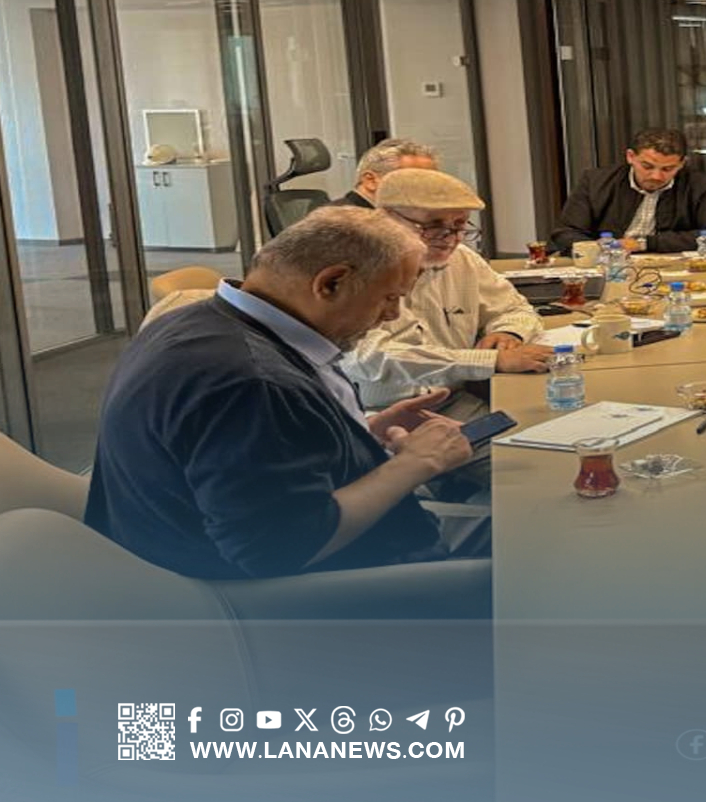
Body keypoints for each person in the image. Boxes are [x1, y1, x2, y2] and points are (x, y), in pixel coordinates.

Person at [85, 208, 481, 580]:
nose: (392, 315)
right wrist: (418, 463)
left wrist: (359, 434)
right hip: (314, 596)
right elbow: (277, 549)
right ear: (331, 282)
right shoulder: (252, 384)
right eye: (390, 297)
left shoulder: (190, 322)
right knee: (515, 554)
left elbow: (246, 457)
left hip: (172, 561)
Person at [341, 169, 550, 409]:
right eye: (433, 225)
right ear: (386, 219)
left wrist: (508, 333)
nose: (450, 238)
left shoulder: (462, 259)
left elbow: (515, 309)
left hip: (458, 401)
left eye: (459, 225)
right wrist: (489, 361)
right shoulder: (354, 271)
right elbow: (369, 358)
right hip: (381, 415)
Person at [550, 127, 706, 253]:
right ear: (631, 157)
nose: (656, 176)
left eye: (668, 169)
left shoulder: (701, 185)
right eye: (647, 166)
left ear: (681, 164)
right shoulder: (595, 181)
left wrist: (643, 244)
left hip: (673, 267)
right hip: (610, 264)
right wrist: (597, 248)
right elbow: (565, 233)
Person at [335, 138, 437, 208]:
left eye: (431, 181)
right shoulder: (340, 224)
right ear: (370, 180)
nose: (427, 189)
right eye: (413, 179)